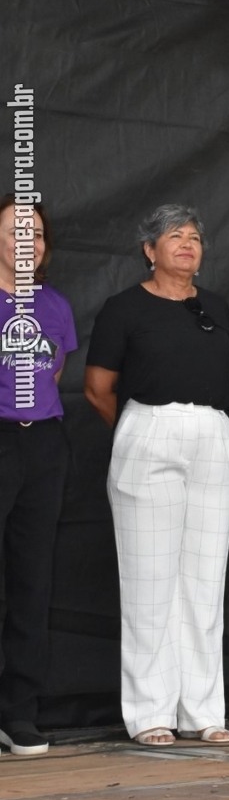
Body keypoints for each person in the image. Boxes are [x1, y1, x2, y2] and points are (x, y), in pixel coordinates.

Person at [84, 205, 229, 747]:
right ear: (150, 250)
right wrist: (137, 428)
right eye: (175, 237)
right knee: (150, 583)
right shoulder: (124, 308)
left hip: (212, 433)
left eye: (195, 236)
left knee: (204, 581)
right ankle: (150, 712)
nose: (187, 245)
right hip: (149, 425)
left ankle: (203, 711)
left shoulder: (215, 306)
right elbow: (98, 388)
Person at [0, 197, 77, 757]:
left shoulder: (56, 306)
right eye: (15, 232)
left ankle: (18, 715)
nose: (28, 242)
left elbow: (54, 371)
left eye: (38, 235)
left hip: (44, 443)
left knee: (32, 580)